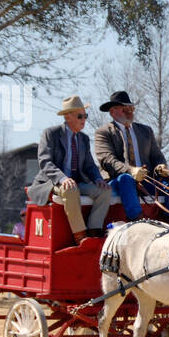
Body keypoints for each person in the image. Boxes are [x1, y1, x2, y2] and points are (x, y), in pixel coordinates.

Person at [26, 95, 112, 243]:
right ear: (68, 117)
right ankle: (80, 235)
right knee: (70, 189)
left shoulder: (83, 139)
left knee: (105, 191)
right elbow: (45, 161)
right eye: (80, 116)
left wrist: (98, 179)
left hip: (76, 181)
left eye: (85, 115)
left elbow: (89, 165)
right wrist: (63, 178)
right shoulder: (51, 134)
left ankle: (94, 230)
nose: (84, 119)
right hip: (53, 182)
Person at [93, 90, 169, 222]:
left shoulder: (145, 130)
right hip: (118, 181)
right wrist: (131, 171)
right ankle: (138, 221)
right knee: (126, 179)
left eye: (131, 108)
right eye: (125, 109)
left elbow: (157, 156)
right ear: (112, 112)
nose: (130, 112)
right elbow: (107, 160)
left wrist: (161, 166)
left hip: (146, 181)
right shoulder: (103, 132)